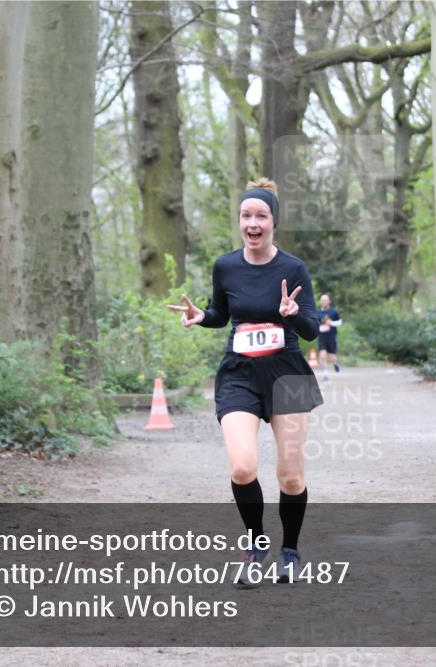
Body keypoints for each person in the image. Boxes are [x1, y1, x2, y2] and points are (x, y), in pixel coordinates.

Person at [168, 177, 322, 587]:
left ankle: (290, 550)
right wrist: (202, 317)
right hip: (239, 374)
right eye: (246, 216)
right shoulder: (226, 266)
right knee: (241, 467)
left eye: (261, 216)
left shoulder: (293, 268)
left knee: (291, 477)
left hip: (288, 375)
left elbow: (311, 330)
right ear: (240, 221)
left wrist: (292, 314)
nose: (253, 223)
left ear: (274, 222)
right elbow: (221, 313)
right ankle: (256, 547)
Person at [315, 293, 342, 381]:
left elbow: (340, 322)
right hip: (322, 337)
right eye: (322, 300)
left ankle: (335, 364)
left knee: (332, 357)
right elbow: (315, 324)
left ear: (329, 301)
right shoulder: (318, 313)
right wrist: (318, 328)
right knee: (322, 356)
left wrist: (331, 323)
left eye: (326, 300)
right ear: (320, 302)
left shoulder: (334, 312)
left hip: (332, 336)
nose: (324, 302)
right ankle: (325, 375)